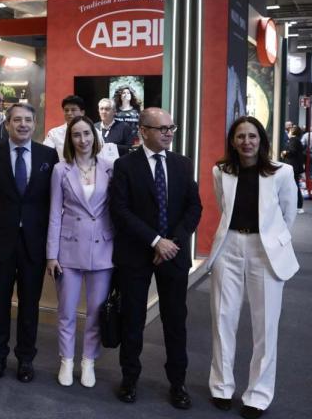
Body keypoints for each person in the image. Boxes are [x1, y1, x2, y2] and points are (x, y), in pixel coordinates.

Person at [208, 116, 300, 419]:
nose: (246, 142)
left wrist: (271, 240)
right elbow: (224, 208)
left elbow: (288, 214)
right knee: (223, 320)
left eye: (251, 136)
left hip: (266, 251)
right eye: (240, 136)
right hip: (230, 247)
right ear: (232, 141)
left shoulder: (282, 172)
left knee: (265, 326)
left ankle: (258, 395)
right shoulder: (221, 171)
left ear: (261, 140)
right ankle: (221, 386)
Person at [110, 108, 202, 409]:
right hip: (136, 254)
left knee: (175, 321)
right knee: (132, 320)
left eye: (171, 127)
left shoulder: (182, 164)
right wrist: (154, 241)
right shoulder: (125, 165)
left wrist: (171, 243)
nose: (168, 133)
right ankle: (130, 379)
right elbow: (120, 210)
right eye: (161, 128)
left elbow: (193, 209)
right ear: (143, 131)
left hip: (173, 255)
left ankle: (178, 383)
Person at [0, 103, 58, 383]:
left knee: (29, 305)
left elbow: (53, 204)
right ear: (7, 124)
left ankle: (25, 359)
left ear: (34, 124)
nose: (22, 125)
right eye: (17, 120)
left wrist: (52, 248)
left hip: (34, 244)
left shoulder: (50, 156)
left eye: (28, 120)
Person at [46, 115, 115, 388]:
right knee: (67, 311)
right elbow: (54, 213)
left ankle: (88, 361)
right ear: (69, 139)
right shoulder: (61, 170)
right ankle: (66, 360)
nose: (83, 139)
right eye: (77, 135)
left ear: (94, 136)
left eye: (87, 133)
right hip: (69, 248)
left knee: (97, 310)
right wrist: (51, 254)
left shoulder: (110, 168)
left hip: (103, 247)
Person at [43, 95, 86, 161]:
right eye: (66, 110)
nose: (69, 113)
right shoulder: (54, 133)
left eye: (73, 110)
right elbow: (45, 155)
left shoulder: (94, 132)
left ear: (82, 112)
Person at [280, 126, 306, 214]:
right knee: (295, 185)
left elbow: (292, 151)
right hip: (295, 166)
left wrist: (284, 152)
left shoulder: (293, 140)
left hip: (292, 166)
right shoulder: (297, 140)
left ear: (292, 132)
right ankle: (297, 205)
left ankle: (298, 205)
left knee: (294, 186)